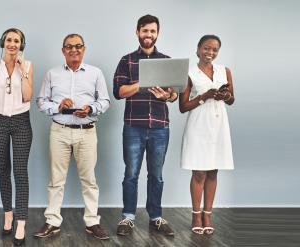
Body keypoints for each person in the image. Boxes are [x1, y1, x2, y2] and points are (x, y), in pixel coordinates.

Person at [33, 33, 111, 240]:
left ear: (84, 49)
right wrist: (58, 106)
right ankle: (52, 221)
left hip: (86, 131)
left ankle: (92, 222)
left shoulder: (95, 73)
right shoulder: (52, 74)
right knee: (56, 180)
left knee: (89, 180)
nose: (73, 50)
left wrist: (91, 108)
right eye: (69, 47)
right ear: (63, 50)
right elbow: (40, 102)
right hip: (59, 131)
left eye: (78, 46)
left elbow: (105, 101)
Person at [112, 14, 178, 236]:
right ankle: (128, 218)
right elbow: (119, 92)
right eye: (145, 30)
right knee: (131, 173)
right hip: (133, 126)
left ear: (157, 33)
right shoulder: (126, 60)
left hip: (160, 127)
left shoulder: (167, 61)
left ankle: (156, 217)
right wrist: (142, 84)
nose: (148, 35)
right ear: (137, 32)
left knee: (156, 175)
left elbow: (174, 94)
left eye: (152, 31)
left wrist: (167, 96)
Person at [179, 34, 235, 235]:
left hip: (219, 124)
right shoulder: (189, 73)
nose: (210, 53)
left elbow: (231, 99)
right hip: (199, 125)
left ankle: (207, 214)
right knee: (199, 171)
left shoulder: (224, 71)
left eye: (214, 49)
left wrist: (225, 95)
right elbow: (183, 106)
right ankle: (196, 214)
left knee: (213, 171)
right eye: (206, 48)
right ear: (198, 49)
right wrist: (205, 96)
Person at [0, 28, 34, 246]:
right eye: (9, 40)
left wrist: (22, 71)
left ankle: (21, 222)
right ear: (3, 42)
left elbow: (27, 95)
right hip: (0, 122)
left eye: (17, 41)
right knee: (3, 170)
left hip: (22, 122)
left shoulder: (29, 65)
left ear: (21, 45)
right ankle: (8, 215)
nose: (12, 44)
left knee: (20, 172)